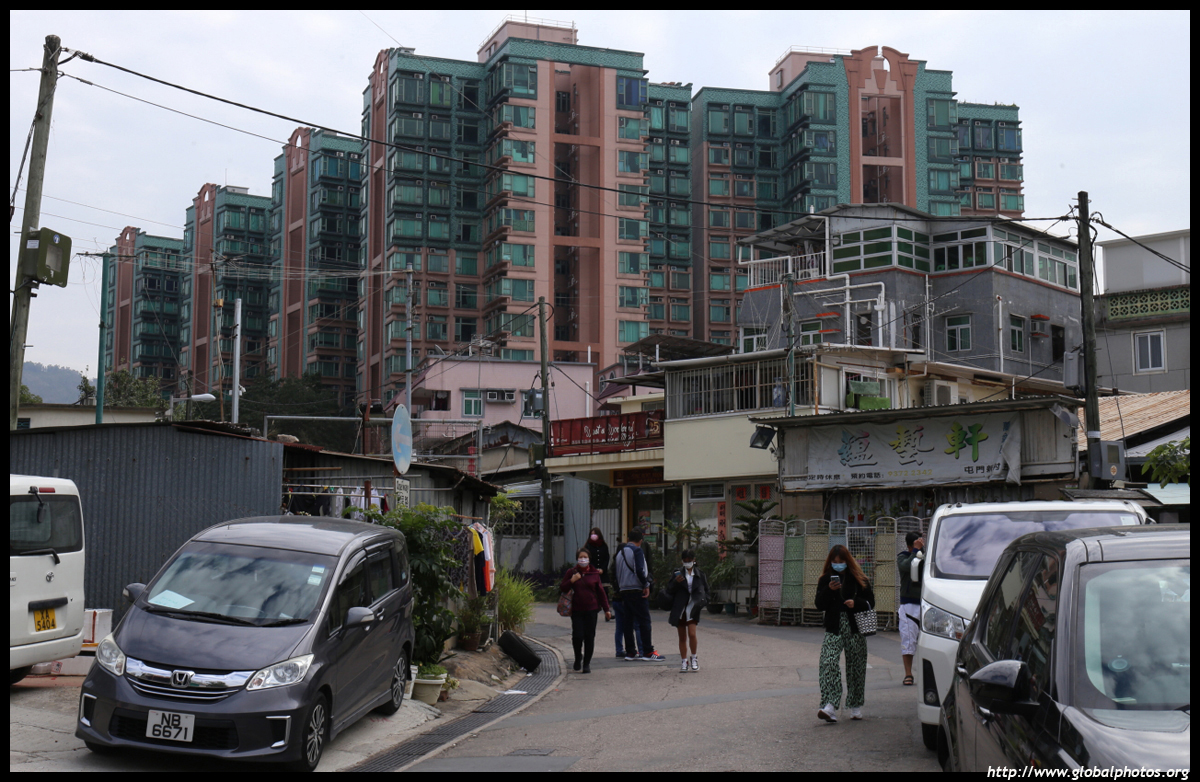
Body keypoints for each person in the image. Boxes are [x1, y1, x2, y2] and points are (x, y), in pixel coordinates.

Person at [814, 545, 875, 723]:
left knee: (856, 665)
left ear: (847, 561)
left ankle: (855, 705)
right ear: (830, 562)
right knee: (828, 661)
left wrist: (856, 603)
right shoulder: (825, 579)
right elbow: (819, 604)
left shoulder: (859, 578)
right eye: (835, 562)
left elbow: (871, 601)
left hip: (855, 626)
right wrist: (829, 590)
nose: (838, 565)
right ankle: (830, 704)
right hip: (834, 626)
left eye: (841, 562)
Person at [612, 528, 663, 661]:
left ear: (628, 539)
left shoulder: (620, 553)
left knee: (628, 622)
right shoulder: (637, 551)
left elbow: (615, 572)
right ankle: (648, 651)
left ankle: (630, 651)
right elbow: (640, 570)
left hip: (624, 590)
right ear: (640, 540)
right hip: (636, 589)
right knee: (644, 621)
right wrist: (646, 585)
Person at [560, 547, 612, 674]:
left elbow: (601, 592)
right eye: (581, 557)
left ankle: (587, 663)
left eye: (585, 557)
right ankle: (578, 657)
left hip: (592, 610)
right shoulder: (572, 572)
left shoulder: (594, 574)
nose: (583, 559)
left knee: (589, 636)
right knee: (577, 636)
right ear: (577, 559)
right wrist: (572, 580)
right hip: (577, 610)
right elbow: (562, 587)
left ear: (589, 559)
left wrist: (607, 609)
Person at [666, 549, 709, 672]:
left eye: (689, 560)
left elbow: (706, 590)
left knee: (692, 633)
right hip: (680, 607)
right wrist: (676, 582)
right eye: (685, 561)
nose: (687, 563)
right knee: (682, 636)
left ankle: (694, 658)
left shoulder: (700, 574)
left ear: (694, 560)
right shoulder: (677, 573)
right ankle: (684, 661)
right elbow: (669, 589)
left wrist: (704, 601)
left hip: (693, 606)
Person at [896, 531, 926, 686]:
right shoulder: (903, 557)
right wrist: (915, 551)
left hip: (925, 602)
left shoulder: (926, 558)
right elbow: (907, 567)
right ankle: (908, 673)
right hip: (909, 604)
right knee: (908, 639)